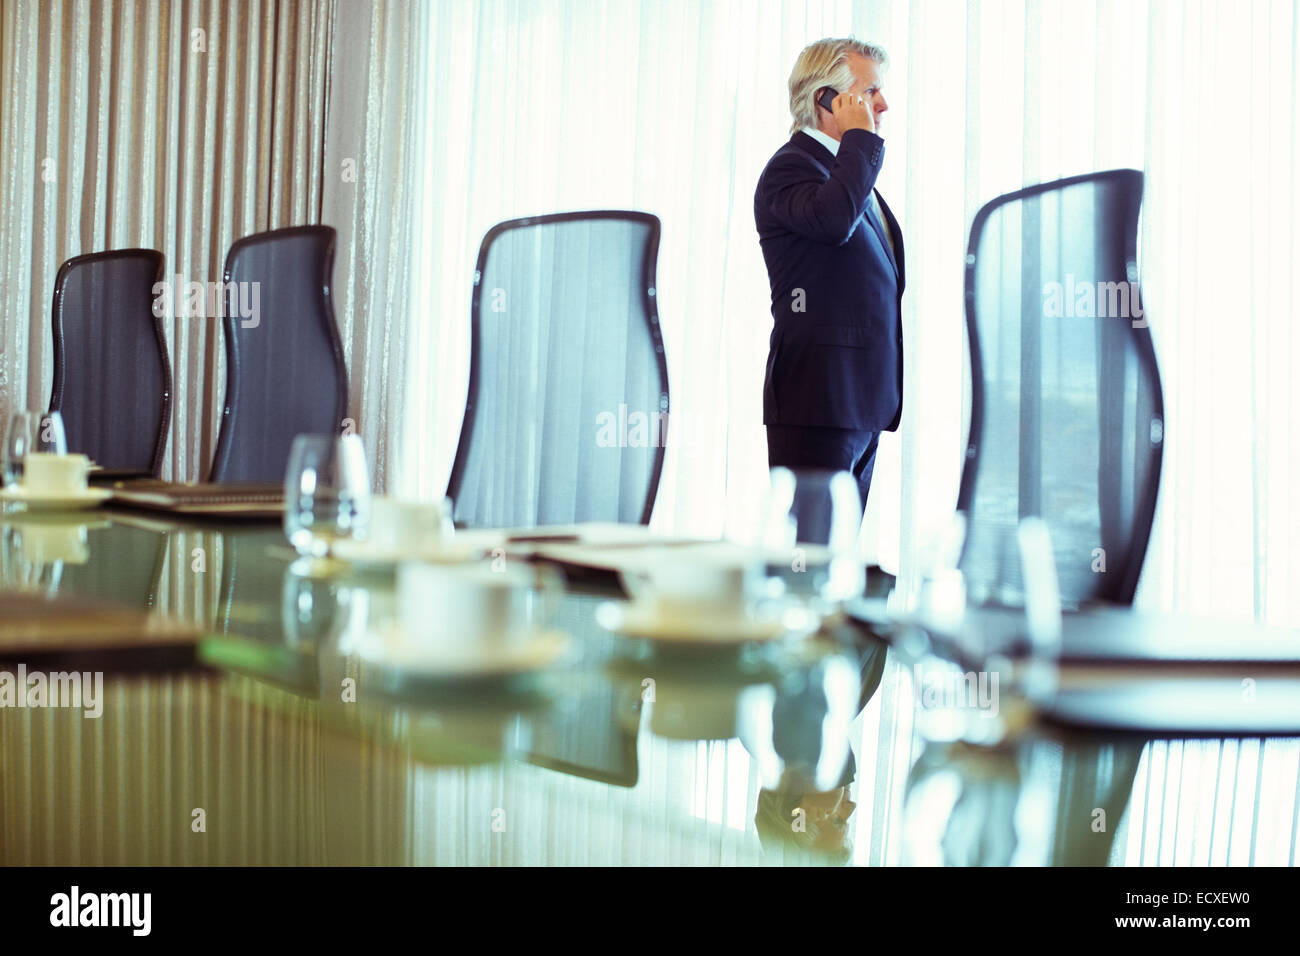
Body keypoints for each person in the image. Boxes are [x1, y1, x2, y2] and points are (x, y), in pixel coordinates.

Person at [754, 37, 904, 512]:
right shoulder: (792, 168)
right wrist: (861, 139)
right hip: (818, 403)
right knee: (807, 563)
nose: (883, 104)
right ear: (826, 100)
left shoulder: (844, 174)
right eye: (869, 92)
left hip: (859, 403)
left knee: (837, 565)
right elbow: (833, 222)